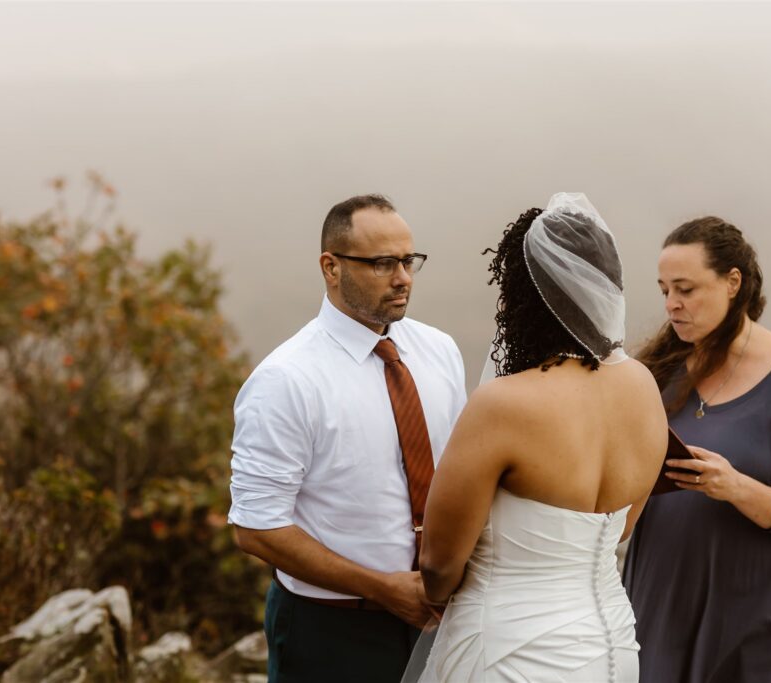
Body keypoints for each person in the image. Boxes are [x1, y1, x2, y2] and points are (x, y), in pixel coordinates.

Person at [413, 193, 668, 683]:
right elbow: (623, 527)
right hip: (612, 645)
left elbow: (439, 565)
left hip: (510, 651)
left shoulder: (503, 405)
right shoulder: (643, 388)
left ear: (524, 298)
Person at [227, 194, 467, 683]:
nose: (403, 277)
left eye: (408, 260)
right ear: (331, 267)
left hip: (445, 618)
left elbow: (460, 472)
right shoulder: (286, 379)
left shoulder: (439, 350)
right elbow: (255, 527)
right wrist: (384, 588)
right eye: (382, 263)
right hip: (332, 629)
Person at [623, 216, 771, 683]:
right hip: (658, 595)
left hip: (747, 611)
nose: (672, 305)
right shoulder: (660, 367)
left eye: (686, 289)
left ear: (732, 282)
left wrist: (734, 486)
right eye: (664, 291)